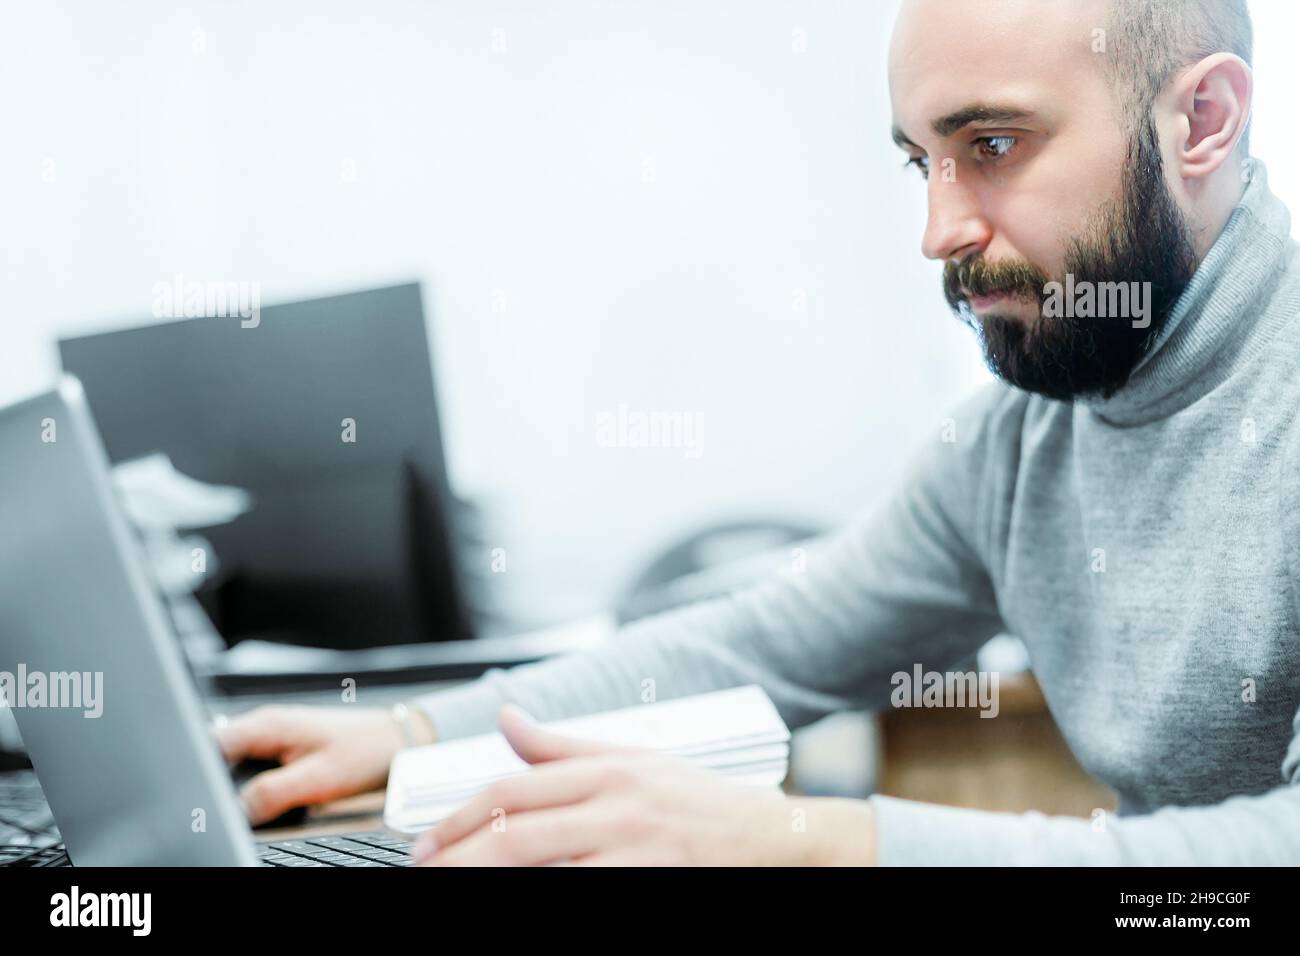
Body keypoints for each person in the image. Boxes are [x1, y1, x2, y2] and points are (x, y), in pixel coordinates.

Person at [218, 0, 1300, 865]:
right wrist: (410, 733)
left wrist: (807, 841)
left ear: (1200, 121)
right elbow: (757, 641)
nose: (938, 232)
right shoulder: (1016, 442)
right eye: (922, 161)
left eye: (996, 141)